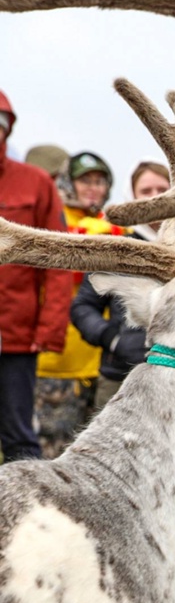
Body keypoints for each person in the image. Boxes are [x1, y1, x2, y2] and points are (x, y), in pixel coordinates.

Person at [34, 150, 125, 458]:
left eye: (99, 181)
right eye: (84, 180)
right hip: (57, 366)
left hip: (102, 367)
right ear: (68, 184)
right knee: (53, 455)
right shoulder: (53, 218)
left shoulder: (110, 224)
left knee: (98, 457)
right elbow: (64, 260)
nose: (92, 188)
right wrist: (100, 233)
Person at [0, 89, 72, 462]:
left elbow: (58, 261)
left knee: (19, 436)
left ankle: (24, 515)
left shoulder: (36, 184)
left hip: (15, 339)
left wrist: (48, 330)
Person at [70, 160, 171, 413]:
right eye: (145, 191)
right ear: (132, 196)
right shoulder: (116, 249)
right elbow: (83, 307)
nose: (154, 198)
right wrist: (113, 340)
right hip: (121, 377)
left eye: (162, 189)